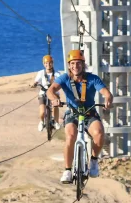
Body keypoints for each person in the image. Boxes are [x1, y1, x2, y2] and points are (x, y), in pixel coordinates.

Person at [47, 50, 113, 184]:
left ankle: (94, 161)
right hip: (73, 113)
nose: (75, 66)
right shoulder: (65, 78)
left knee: (99, 133)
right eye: (72, 63)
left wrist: (108, 98)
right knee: (70, 136)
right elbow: (51, 90)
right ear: (69, 65)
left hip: (89, 113)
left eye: (78, 63)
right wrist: (54, 99)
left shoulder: (92, 78)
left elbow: (106, 92)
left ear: (83, 65)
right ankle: (67, 170)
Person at [30, 55, 62, 132]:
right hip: (43, 93)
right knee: (42, 112)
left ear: (52, 63)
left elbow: (61, 82)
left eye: (50, 63)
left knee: (55, 106)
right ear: (44, 64)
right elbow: (36, 81)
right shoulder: (41, 73)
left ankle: (56, 122)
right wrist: (34, 84)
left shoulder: (57, 74)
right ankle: (41, 121)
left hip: (54, 94)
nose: (48, 65)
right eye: (46, 63)